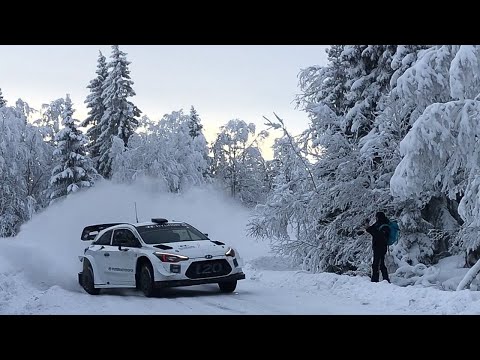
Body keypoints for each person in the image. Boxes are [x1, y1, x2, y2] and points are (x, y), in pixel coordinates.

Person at [364, 211, 391, 283]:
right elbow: (372, 230)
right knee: (381, 264)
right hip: (378, 247)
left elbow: (379, 235)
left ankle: (375, 280)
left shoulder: (384, 226)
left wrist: (371, 229)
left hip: (380, 247)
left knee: (376, 264)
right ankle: (386, 280)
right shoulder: (378, 224)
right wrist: (367, 226)